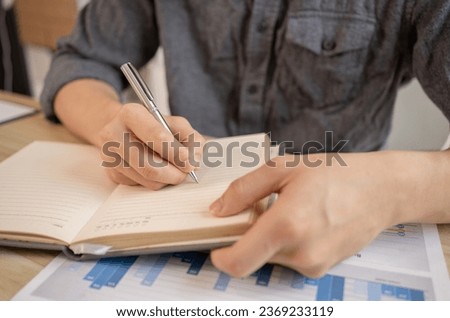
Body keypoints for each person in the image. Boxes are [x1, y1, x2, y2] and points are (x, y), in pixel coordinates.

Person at [41, 0, 450, 278]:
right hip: (176, 212)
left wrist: (392, 189)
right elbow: (81, 59)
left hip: (346, 238)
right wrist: (111, 122)